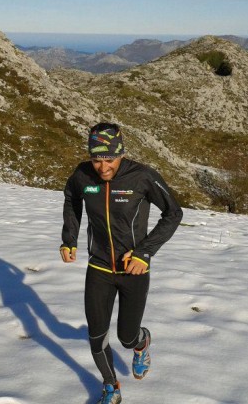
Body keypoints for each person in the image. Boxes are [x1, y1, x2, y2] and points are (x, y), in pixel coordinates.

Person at [60, 122, 183, 404]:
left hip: (133, 270)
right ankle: (110, 385)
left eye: (109, 160)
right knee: (96, 336)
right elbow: (71, 199)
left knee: (126, 338)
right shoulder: (81, 175)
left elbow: (173, 213)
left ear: (121, 154)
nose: (102, 167)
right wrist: (69, 238)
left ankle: (142, 343)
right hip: (99, 268)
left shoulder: (142, 177)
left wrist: (144, 253)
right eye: (96, 159)